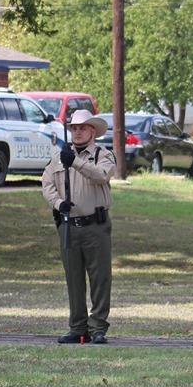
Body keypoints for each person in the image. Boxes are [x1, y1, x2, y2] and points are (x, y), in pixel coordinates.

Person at [41, 109, 116, 345]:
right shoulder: (60, 156)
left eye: (82, 128)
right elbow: (47, 183)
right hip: (69, 225)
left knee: (100, 277)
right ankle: (77, 326)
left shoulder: (103, 155)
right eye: (74, 128)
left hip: (95, 224)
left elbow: (101, 176)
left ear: (92, 131)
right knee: (73, 278)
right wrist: (58, 202)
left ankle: (98, 327)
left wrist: (76, 163)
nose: (77, 132)